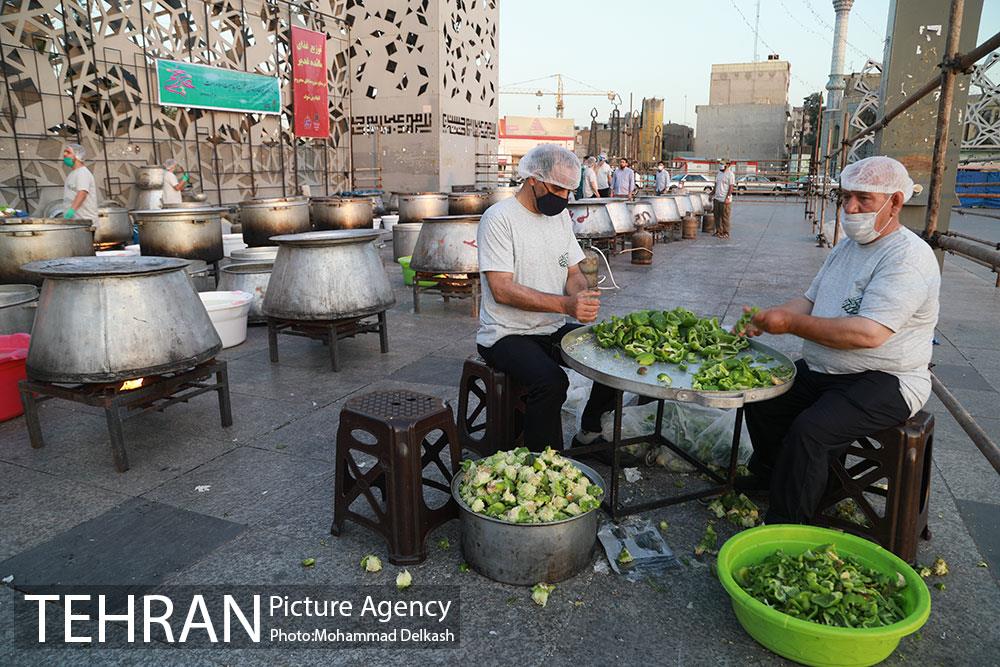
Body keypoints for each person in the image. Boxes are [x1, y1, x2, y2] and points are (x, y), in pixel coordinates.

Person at [740, 156, 940, 525]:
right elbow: (810, 300)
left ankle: (787, 525)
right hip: (825, 367)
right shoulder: (847, 247)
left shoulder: (907, 258)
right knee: (761, 398)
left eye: (863, 199)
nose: (850, 207)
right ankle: (773, 476)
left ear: (895, 202)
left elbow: (869, 333)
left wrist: (791, 324)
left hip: (886, 377)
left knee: (811, 431)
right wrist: (769, 318)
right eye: (845, 196)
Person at [476, 144, 616, 452]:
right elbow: (501, 288)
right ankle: (544, 466)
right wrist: (566, 305)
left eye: (568, 191)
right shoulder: (499, 218)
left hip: (550, 327)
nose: (563, 198)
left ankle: (590, 432)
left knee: (612, 355)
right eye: (556, 188)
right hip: (506, 334)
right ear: (533, 179)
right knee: (552, 382)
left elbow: (573, 273)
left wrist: (582, 296)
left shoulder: (560, 219)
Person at [61, 143, 100, 223]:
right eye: (64, 152)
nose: (64, 155)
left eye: (68, 152)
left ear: (77, 155)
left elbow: (82, 193)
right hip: (76, 221)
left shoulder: (83, 173)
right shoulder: (72, 174)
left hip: (85, 221)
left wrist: (71, 211)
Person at [713, 159, 736, 239]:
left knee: (725, 217)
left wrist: (728, 197)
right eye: (720, 163)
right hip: (717, 198)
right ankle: (718, 231)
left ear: (728, 165)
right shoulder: (719, 173)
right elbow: (716, 184)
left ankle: (726, 232)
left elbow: (731, 187)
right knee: (716, 216)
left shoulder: (730, 174)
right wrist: (712, 193)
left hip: (724, 199)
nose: (720, 165)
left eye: (722, 164)